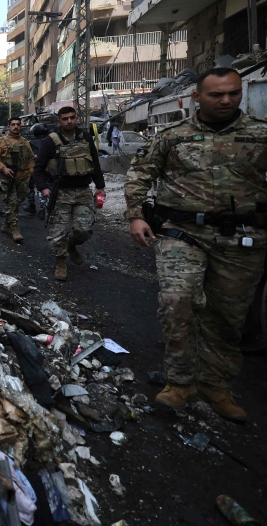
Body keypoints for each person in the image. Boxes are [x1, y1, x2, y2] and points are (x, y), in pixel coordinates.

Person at [125, 67, 267, 422]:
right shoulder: (174, 136)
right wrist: (135, 215)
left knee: (227, 314)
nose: (226, 100)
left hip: (241, 238)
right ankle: (180, 382)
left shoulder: (260, 135)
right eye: (216, 94)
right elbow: (141, 173)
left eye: (233, 93)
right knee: (178, 302)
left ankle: (217, 386)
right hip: (181, 232)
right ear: (196, 97)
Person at [33, 106, 105, 281]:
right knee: (58, 232)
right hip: (61, 192)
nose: (69, 121)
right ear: (59, 121)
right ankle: (60, 262)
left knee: (84, 230)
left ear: (76, 119)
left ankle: (71, 245)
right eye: (65, 118)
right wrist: (43, 188)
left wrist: (100, 186)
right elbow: (38, 169)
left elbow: (95, 164)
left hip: (83, 192)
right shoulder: (50, 141)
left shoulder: (86, 138)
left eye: (72, 117)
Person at [0, 118, 35, 244]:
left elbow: (31, 158)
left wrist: (30, 171)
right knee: (11, 203)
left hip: (23, 178)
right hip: (8, 179)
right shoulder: (1, 141)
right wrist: (3, 168)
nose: (16, 127)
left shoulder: (25, 142)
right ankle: (14, 229)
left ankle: (6, 225)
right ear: (8, 126)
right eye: (13, 125)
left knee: (16, 203)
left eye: (18, 125)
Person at [25, 123, 50, 218]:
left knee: (30, 188)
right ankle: (42, 210)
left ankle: (32, 206)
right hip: (47, 169)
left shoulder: (31, 143)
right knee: (42, 188)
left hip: (33, 169)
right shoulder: (50, 141)